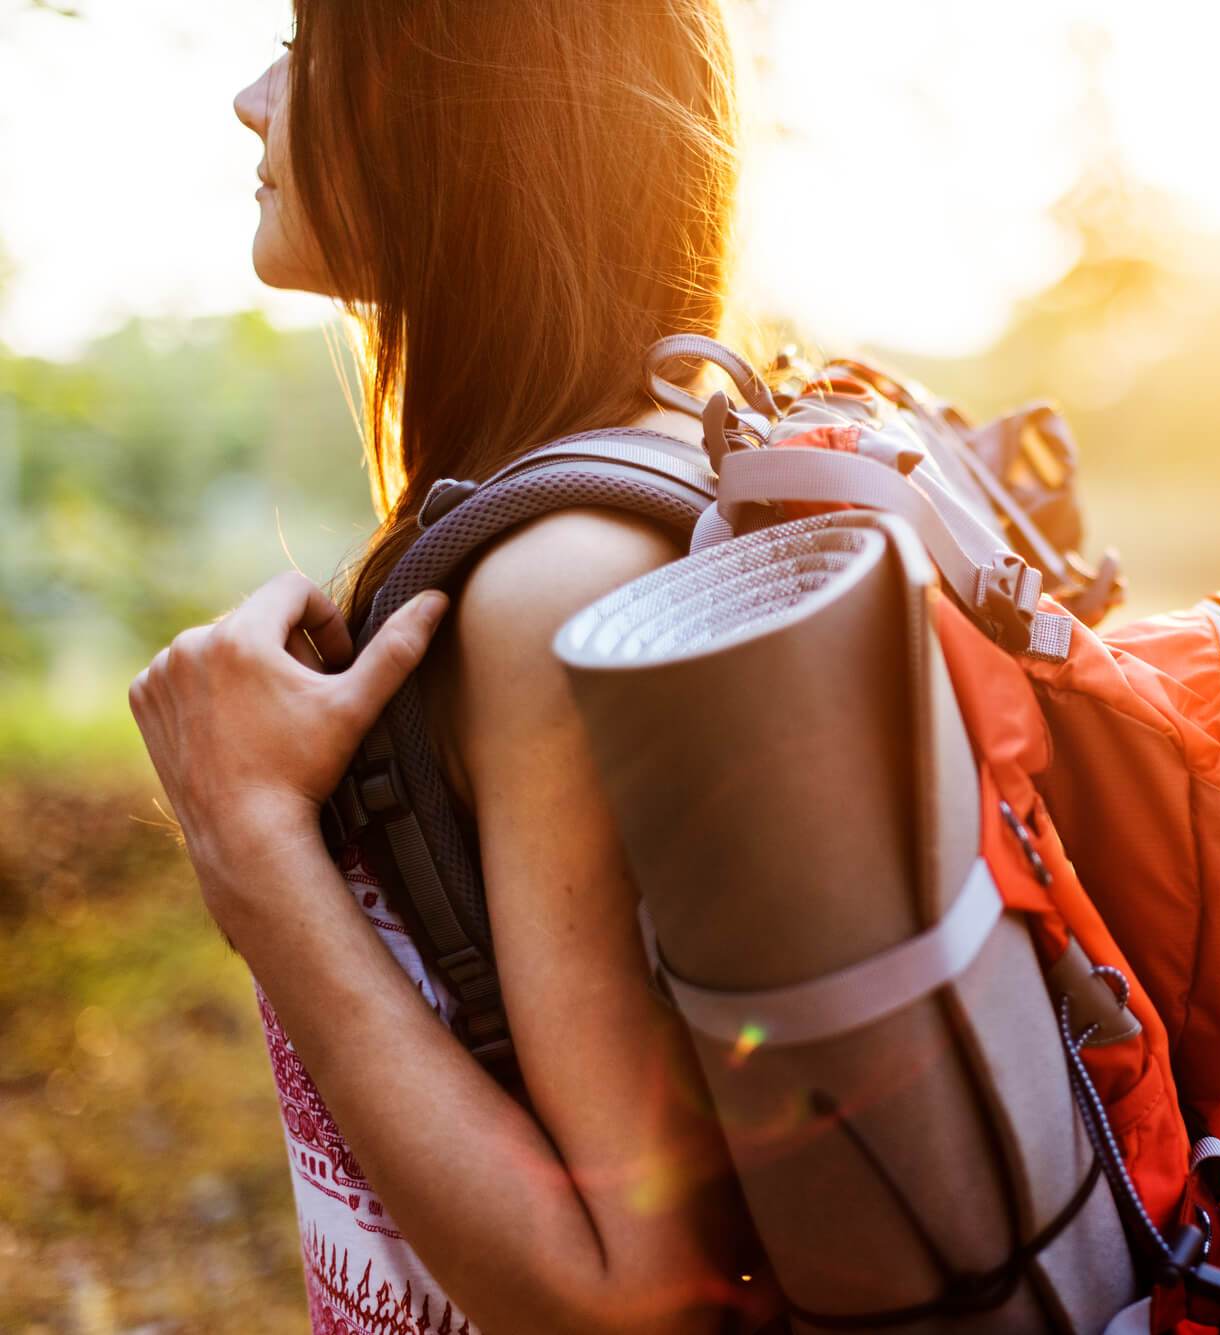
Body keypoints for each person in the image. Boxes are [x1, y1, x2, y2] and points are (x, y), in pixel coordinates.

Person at [125, 5, 774, 1332]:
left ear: (448, 104)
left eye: (306, 50)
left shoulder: (557, 583)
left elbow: (631, 1302)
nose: (252, 101)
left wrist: (246, 838)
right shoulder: (658, 461)